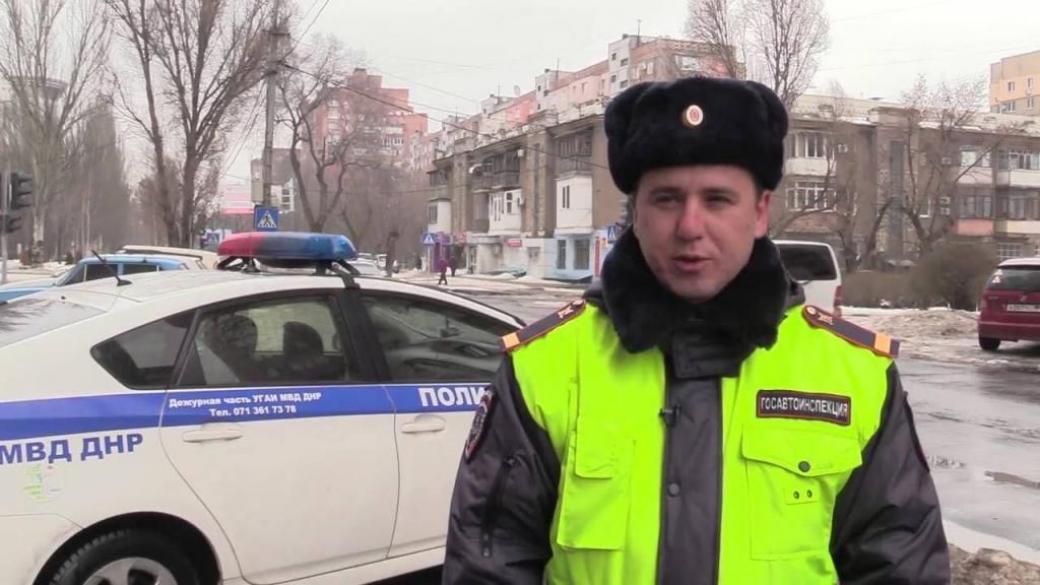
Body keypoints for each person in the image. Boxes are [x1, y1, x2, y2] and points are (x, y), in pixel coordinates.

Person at [443, 77, 949, 585]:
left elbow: (900, 568)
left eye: (717, 199)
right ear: (636, 213)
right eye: (666, 199)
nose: (689, 226)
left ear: (760, 212)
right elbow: (489, 564)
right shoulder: (544, 368)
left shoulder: (854, 375)